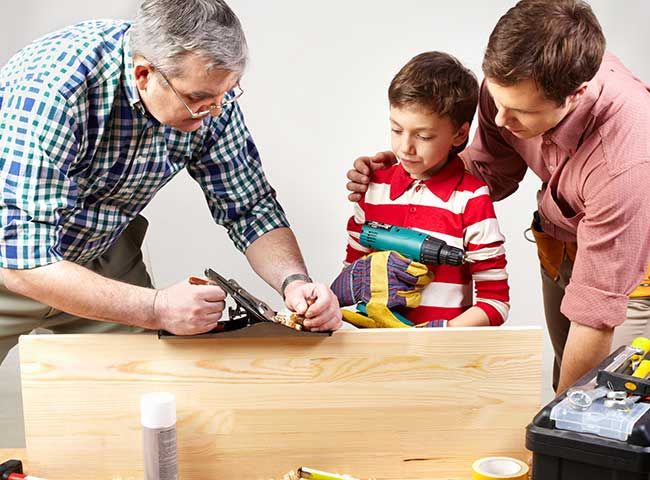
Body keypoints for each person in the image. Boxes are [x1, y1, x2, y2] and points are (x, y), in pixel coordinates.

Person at [0, 0, 342, 366]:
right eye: (197, 99)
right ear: (144, 74)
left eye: (224, 94)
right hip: (12, 257)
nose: (213, 112)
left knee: (152, 392)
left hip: (100, 248)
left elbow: (250, 207)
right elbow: (24, 263)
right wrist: (156, 306)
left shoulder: (209, 98)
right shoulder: (55, 91)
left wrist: (295, 284)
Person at [346, 0, 650, 393]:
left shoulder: (626, 161)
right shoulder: (510, 87)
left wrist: (552, 431)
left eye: (519, 112)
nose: (499, 120)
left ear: (575, 95)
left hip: (630, 273)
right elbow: (494, 171)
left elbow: (596, 315)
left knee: (602, 407)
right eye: (496, 100)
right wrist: (415, 171)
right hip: (563, 245)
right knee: (567, 376)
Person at [331, 52, 510, 328]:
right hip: (375, 358)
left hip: (441, 360)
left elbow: (495, 302)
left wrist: (441, 334)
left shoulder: (471, 200)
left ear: (460, 135)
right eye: (396, 129)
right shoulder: (373, 187)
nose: (405, 147)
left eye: (424, 136)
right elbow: (349, 286)